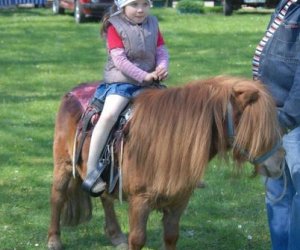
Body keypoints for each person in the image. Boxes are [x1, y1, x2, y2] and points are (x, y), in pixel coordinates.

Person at [82, 0, 169, 196]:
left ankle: (177, 168)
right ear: (123, 6)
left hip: (149, 83)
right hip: (122, 83)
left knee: (175, 115)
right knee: (108, 117)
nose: (140, 9)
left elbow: (161, 49)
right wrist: (143, 75)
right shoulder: (115, 26)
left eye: (145, 4)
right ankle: (91, 171)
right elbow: (119, 60)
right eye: (134, 4)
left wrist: (162, 66)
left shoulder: (153, 23)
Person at [252, 0, 300, 249]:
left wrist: (286, 120)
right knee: (277, 194)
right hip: (274, 116)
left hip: (291, 120)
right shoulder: (286, 4)